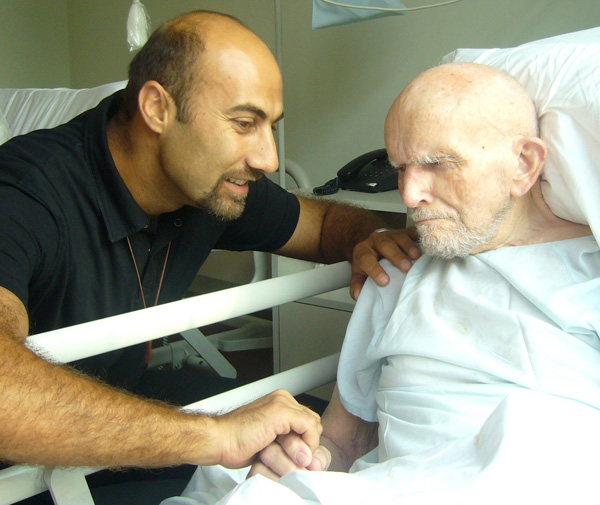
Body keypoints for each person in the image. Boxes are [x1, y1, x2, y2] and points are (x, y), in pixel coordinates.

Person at [0, 9, 421, 500]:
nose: (268, 159)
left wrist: (372, 237)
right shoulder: (25, 194)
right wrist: (216, 437)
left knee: (305, 435)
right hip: (21, 461)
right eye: (243, 123)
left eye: (270, 127)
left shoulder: (205, 186)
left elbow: (324, 224)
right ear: (157, 108)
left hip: (125, 398)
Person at [165, 62, 600, 503]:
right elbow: (344, 441)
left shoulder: (588, 278)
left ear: (524, 164)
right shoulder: (396, 270)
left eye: (438, 164)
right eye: (400, 168)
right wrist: (306, 459)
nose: (409, 195)